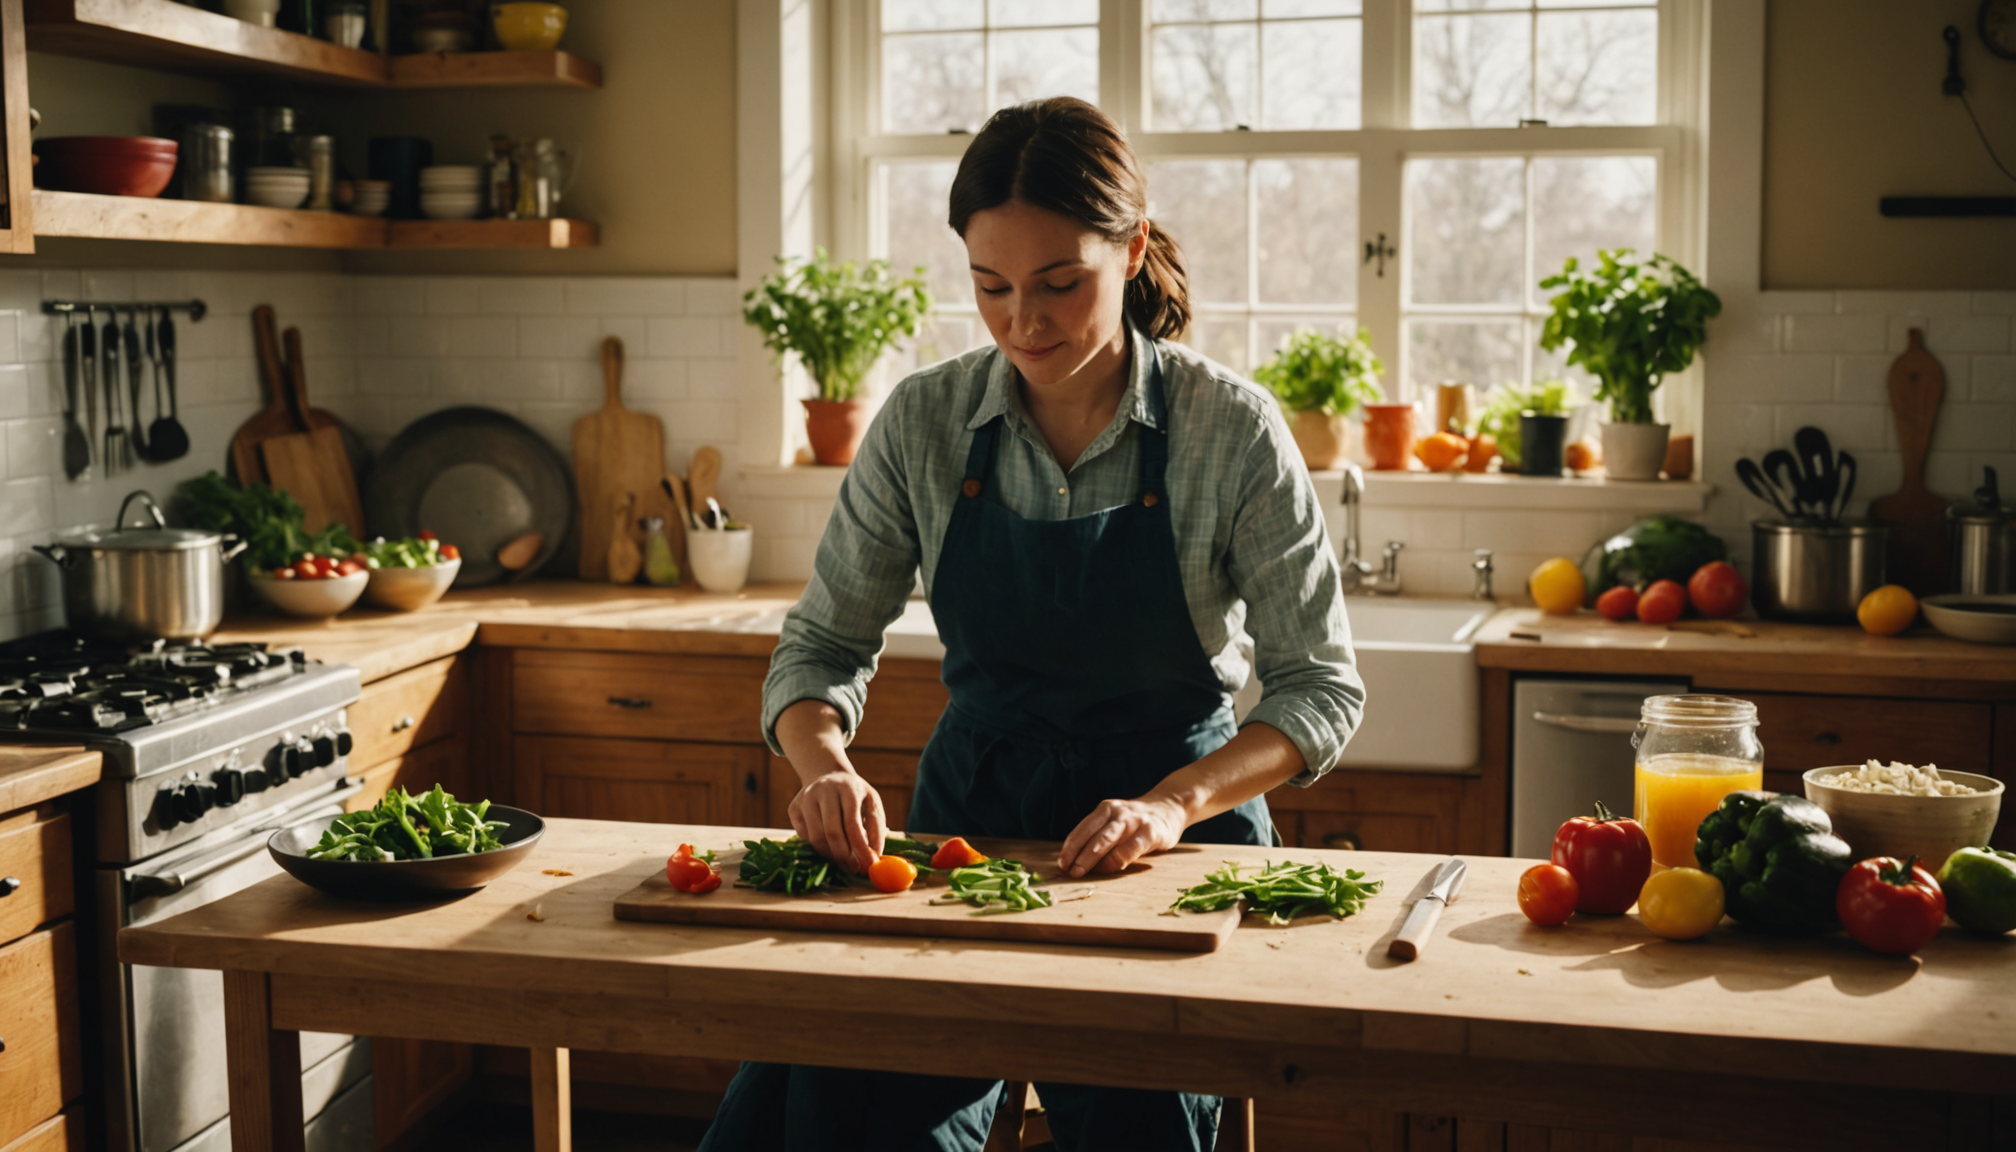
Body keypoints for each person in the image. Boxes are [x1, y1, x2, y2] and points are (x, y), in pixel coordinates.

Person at [699, 96, 1365, 1152]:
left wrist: (1170, 807)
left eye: (1061, 283)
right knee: (849, 1107)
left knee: (1142, 1121)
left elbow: (1320, 687)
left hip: (1167, 851)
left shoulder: (1227, 429)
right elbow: (821, 649)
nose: (1024, 322)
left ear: (1132, 248)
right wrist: (819, 762)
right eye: (991, 287)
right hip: (971, 827)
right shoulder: (923, 421)